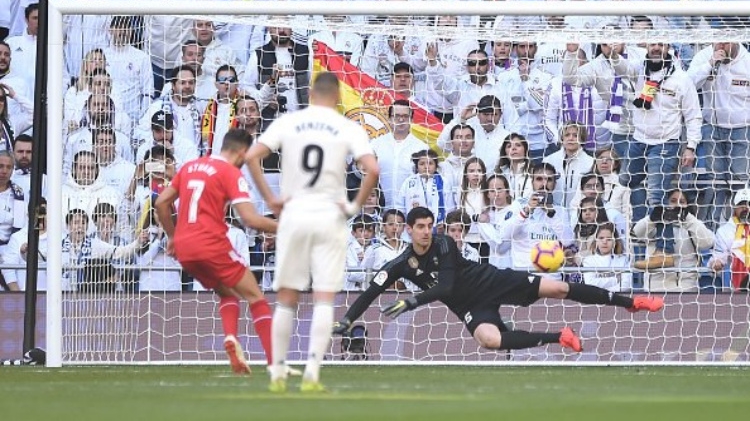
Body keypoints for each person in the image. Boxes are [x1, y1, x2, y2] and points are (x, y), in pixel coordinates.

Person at [333, 207, 664, 357]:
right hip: (469, 306)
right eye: (419, 227)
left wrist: (413, 301)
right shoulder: (400, 264)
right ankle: (559, 337)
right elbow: (372, 290)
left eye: (429, 225)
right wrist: (348, 319)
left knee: (560, 288)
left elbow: (445, 286)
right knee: (489, 340)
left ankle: (630, 303)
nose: (425, 231)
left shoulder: (444, 243)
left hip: (492, 281)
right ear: (408, 230)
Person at [244, 72, 380, 393]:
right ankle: (312, 373)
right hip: (329, 216)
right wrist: (354, 205)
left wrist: (271, 199)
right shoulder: (347, 126)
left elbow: (251, 156)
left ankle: (277, 373)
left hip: (294, 214)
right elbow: (372, 169)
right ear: (336, 96)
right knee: (323, 298)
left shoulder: (289, 122)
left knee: (287, 298)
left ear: (310, 95)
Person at [154, 128, 278, 376]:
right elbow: (250, 219)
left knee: (226, 292)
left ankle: (231, 337)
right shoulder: (230, 173)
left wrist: (173, 237)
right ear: (243, 152)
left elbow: (161, 203)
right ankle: (276, 363)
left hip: (186, 250)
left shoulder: (190, 166)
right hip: (211, 243)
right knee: (256, 298)